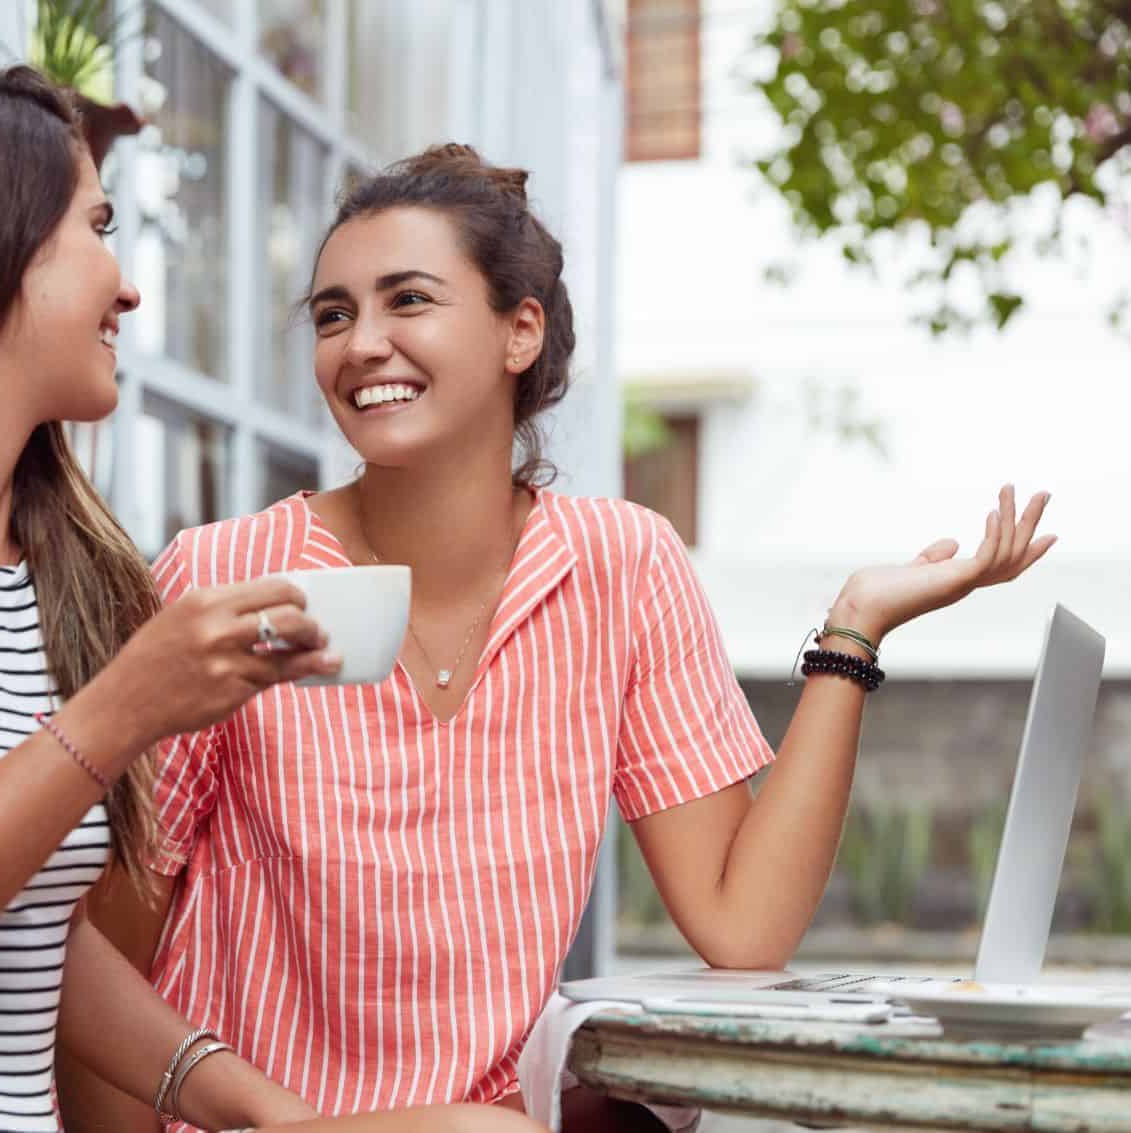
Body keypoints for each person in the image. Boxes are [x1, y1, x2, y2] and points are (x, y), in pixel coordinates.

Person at [69, 144, 1055, 1130]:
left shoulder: (623, 567)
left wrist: (854, 628)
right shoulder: (221, 577)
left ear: (519, 331)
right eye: (333, 313)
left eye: (406, 299)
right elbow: (104, 958)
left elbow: (742, 924)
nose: (359, 342)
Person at [0, 69, 543, 1133]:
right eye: (96, 226)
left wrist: (267, 1110)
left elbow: (6, 928)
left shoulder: (35, 564)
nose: (126, 287)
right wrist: (124, 708)